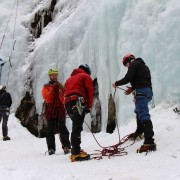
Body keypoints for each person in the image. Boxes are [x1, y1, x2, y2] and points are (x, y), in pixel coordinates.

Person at [112, 54, 156, 153]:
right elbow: (142, 80)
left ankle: (149, 142)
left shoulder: (134, 64)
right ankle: (139, 131)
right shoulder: (143, 66)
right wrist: (132, 88)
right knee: (138, 111)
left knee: (143, 114)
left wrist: (116, 83)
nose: (126, 66)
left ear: (128, 61)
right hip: (147, 91)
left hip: (141, 91)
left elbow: (128, 78)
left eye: (125, 64)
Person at [64, 64, 94, 162]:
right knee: (77, 127)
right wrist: (89, 106)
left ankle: (75, 149)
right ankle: (76, 153)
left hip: (68, 103)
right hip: (78, 101)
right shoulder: (85, 76)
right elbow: (90, 90)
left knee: (75, 125)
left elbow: (65, 92)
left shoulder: (69, 79)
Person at [42, 69, 71, 155]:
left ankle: (66, 146)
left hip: (60, 109)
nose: (54, 76)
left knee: (62, 127)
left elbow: (64, 96)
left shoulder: (61, 86)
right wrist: (52, 90)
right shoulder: (46, 87)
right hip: (50, 109)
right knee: (50, 129)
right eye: (53, 75)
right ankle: (51, 148)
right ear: (50, 76)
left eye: (55, 75)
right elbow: (46, 98)